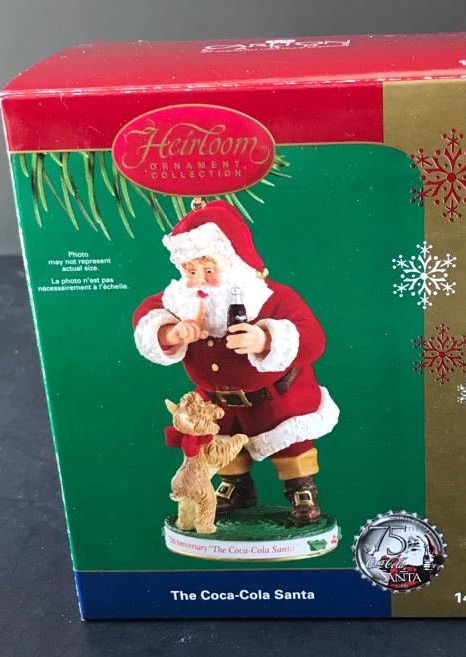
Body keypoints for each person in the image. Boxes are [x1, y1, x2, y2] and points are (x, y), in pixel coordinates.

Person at [132, 201, 339, 524]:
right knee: (220, 446)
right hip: (216, 403)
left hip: (276, 399)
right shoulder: (179, 301)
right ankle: (235, 485)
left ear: (234, 263)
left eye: (209, 270)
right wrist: (170, 332)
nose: (199, 280)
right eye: (190, 271)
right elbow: (146, 316)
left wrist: (265, 339)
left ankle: (301, 489)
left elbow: (313, 338)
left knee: (292, 446)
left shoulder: (271, 298)